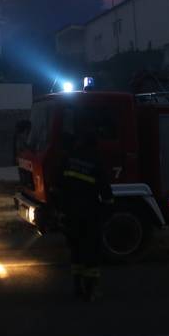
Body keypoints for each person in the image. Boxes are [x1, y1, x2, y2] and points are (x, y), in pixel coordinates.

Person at [57, 128, 113, 301]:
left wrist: (61, 211)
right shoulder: (96, 161)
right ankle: (91, 291)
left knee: (76, 251)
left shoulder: (69, 159)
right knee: (91, 252)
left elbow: (60, 186)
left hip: (71, 215)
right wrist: (107, 209)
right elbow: (106, 192)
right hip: (89, 215)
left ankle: (77, 288)